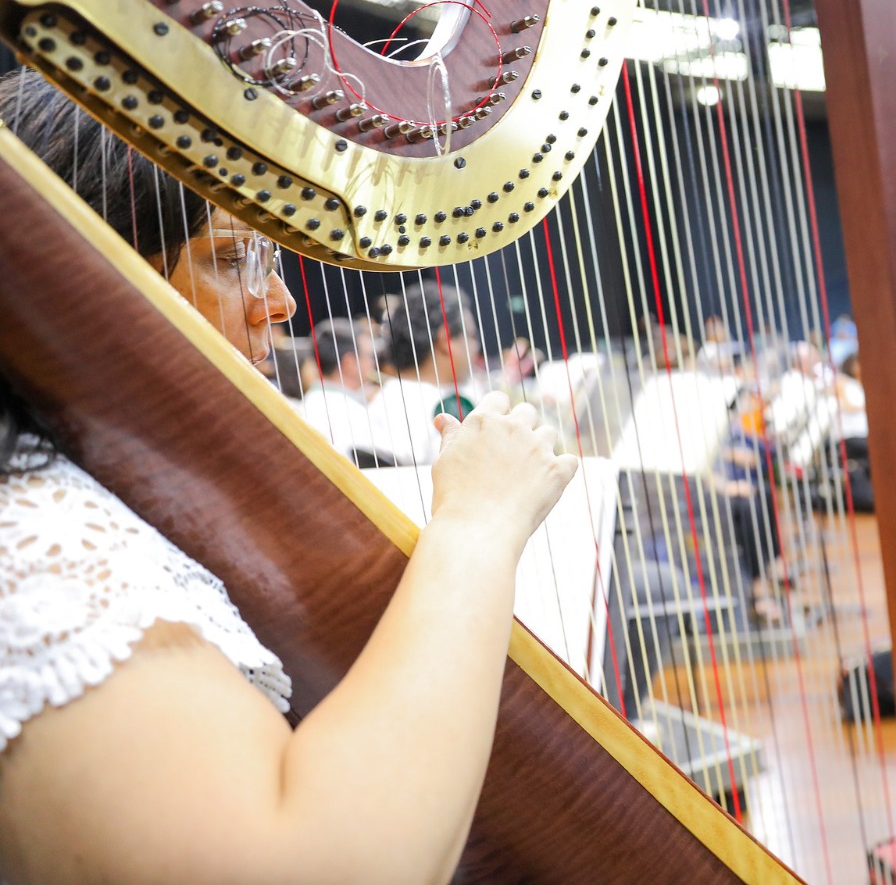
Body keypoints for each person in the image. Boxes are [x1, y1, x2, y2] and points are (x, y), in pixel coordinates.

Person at [0, 68, 580, 881]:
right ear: (91, 291)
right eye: (233, 258)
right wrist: (477, 526)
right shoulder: (41, 545)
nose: (279, 301)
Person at [369, 281, 482, 466]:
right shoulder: (430, 407)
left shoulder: (388, 398)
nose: (476, 347)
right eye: (471, 336)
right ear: (446, 340)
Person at [299, 316, 387, 466]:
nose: (373, 364)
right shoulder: (347, 411)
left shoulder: (312, 401)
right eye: (370, 356)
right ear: (349, 363)